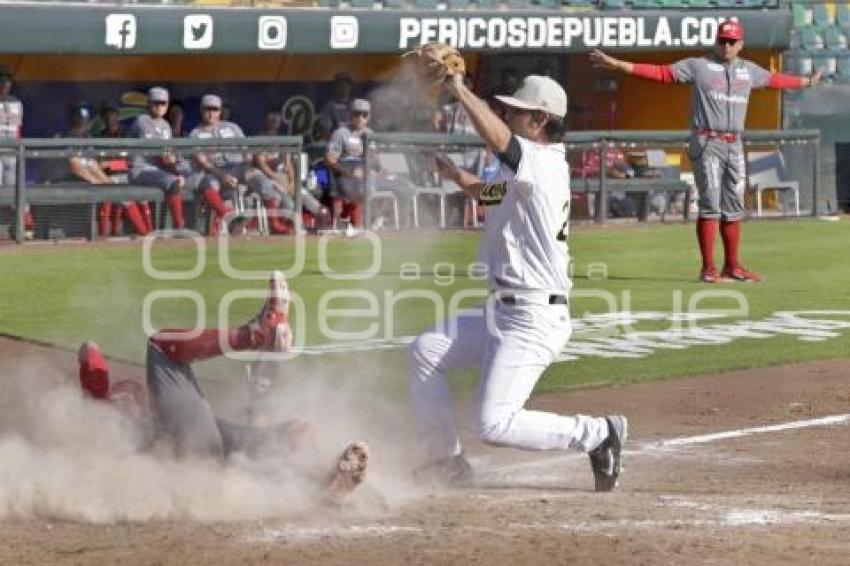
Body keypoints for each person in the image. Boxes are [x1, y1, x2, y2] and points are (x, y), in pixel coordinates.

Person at [408, 73, 627, 492]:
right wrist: (456, 177)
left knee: (493, 423)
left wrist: (457, 88)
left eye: (515, 111)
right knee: (424, 353)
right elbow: (489, 194)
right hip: (501, 310)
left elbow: (498, 140)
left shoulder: (541, 162)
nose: (506, 114)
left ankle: (599, 434)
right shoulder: (524, 171)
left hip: (533, 314)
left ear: (540, 120)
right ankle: (446, 461)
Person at [76, 271, 369, 503]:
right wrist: (91, 360)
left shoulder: (114, 420)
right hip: (183, 447)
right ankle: (254, 335)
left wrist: (91, 361)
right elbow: (92, 366)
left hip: (203, 449)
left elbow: (93, 368)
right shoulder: (105, 423)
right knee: (160, 345)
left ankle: (318, 478)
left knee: (290, 434)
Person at [589, 20, 822, 283]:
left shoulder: (749, 70)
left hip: (734, 143)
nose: (726, 46)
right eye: (722, 40)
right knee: (711, 202)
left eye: (732, 41)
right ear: (716, 42)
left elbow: (775, 80)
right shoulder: (699, 66)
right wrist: (621, 65)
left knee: (734, 204)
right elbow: (662, 73)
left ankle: (733, 266)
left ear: (741, 44)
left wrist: (806, 81)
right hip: (707, 141)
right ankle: (708, 267)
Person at [190, 94, 292, 235]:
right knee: (209, 184)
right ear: (201, 110)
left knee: (261, 180)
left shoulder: (232, 127)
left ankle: (274, 223)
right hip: (215, 172)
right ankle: (232, 220)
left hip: (238, 167)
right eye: (207, 109)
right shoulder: (195, 134)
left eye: (215, 109)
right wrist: (223, 175)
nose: (211, 113)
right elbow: (203, 162)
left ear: (220, 111)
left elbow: (246, 150)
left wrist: (248, 165)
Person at [253, 109, 330, 230]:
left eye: (276, 118)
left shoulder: (282, 139)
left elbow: (288, 164)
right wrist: (278, 179)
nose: (274, 121)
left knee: (305, 195)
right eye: (271, 118)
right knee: (289, 204)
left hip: (284, 179)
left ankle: (323, 225)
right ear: (265, 120)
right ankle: (288, 230)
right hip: (268, 180)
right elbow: (261, 164)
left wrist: (292, 182)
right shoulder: (260, 138)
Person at [127, 87, 192, 231]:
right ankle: (179, 226)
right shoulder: (142, 121)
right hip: (140, 170)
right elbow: (160, 154)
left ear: (167, 105)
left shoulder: (166, 126)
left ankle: (174, 226)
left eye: (162, 103)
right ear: (148, 104)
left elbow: (167, 155)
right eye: (155, 103)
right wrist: (176, 174)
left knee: (188, 176)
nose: (158, 107)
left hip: (158, 171)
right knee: (173, 182)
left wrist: (178, 172)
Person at [0, 64, 22, 189]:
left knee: (12, 188)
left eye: (7, 82)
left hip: (12, 151)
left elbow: (18, 129)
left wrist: (18, 149)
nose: (4, 85)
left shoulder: (16, 102)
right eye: (2, 81)